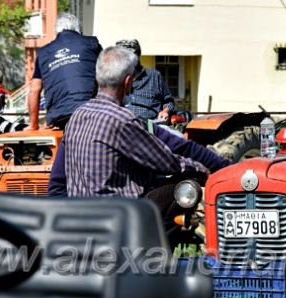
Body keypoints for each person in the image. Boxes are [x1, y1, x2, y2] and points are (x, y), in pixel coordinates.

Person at [63, 46, 209, 198]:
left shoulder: (77, 116)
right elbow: (165, 162)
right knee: (183, 188)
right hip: (120, 212)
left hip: (81, 209)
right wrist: (199, 168)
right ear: (127, 82)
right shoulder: (122, 120)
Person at [48, 124, 231, 196]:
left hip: (78, 217)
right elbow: (172, 160)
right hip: (122, 219)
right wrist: (222, 169)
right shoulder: (129, 123)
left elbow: (56, 186)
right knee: (179, 188)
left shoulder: (74, 125)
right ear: (127, 84)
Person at [27, 12, 102, 130]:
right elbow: (107, 74)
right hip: (92, 111)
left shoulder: (43, 53)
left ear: (57, 31)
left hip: (59, 116)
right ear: (78, 30)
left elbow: (34, 90)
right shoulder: (91, 44)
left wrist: (33, 125)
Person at [115, 39, 175, 122]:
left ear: (138, 57)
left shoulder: (154, 76)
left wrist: (165, 111)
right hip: (124, 127)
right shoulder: (115, 79)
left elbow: (169, 102)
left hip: (151, 127)